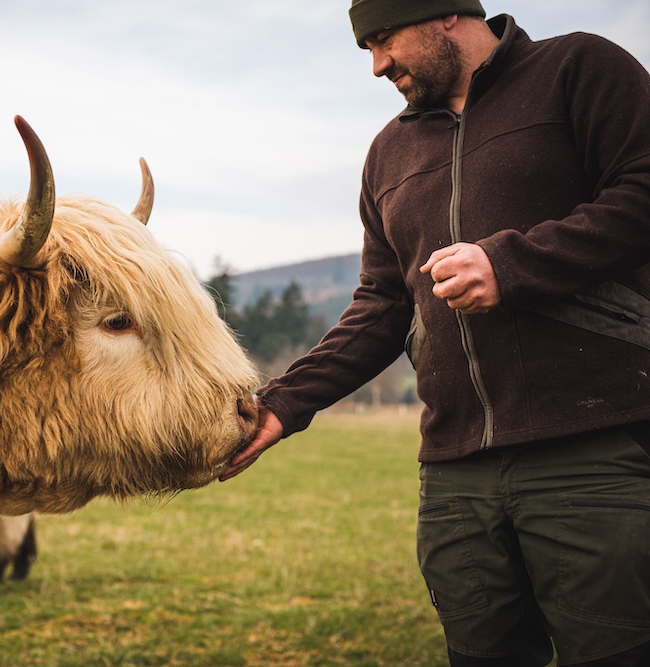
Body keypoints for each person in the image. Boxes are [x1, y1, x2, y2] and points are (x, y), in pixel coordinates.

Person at [221, 1, 650, 665]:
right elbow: (381, 305)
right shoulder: (387, 154)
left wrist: (510, 265)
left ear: (447, 15)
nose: (376, 65)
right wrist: (285, 400)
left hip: (591, 448)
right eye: (366, 47)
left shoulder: (580, 69)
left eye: (384, 39)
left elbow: (642, 192)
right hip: (454, 475)